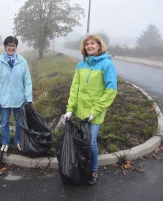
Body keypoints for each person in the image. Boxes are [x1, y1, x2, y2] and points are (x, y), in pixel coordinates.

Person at [61, 34, 117, 185]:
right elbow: (75, 88)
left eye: (93, 43)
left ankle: (93, 170)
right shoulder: (81, 65)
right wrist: (70, 109)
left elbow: (111, 90)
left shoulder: (106, 65)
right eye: (87, 44)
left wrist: (96, 110)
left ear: (99, 46)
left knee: (91, 142)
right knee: (83, 141)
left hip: (95, 113)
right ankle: (83, 166)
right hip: (81, 111)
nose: (89, 46)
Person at [0, 36, 33, 153]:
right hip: (4, 99)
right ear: (5, 47)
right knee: (4, 122)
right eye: (8, 45)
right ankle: (5, 142)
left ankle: (18, 141)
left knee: (19, 122)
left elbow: (27, 81)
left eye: (13, 45)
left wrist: (28, 98)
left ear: (16, 47)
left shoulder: (22, 61)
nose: (11, 47)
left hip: (19, 98)